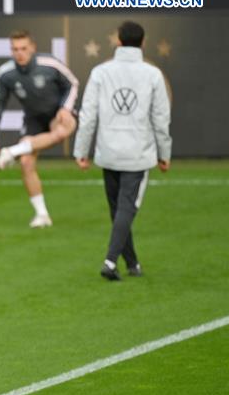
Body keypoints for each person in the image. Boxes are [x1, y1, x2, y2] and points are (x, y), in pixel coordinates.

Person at [73, 21, 172, 281]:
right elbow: (161, 118)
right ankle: (110, 261)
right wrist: (165, 154)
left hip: (108, 151)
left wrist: (81, 150)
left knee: (118, 210)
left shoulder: (100, 72)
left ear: (117, 40)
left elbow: (88, 115)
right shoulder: (152, 75)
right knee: (125, 210)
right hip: (138, 153)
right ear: (143, 42)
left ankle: (132, 263)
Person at [0, 30, 80, 228]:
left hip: (58, 113)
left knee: (63, 129)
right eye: (15, 49)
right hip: (34, 119)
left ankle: (12, 151)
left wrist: (65, 108)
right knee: (26, 163)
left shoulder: (49, 63)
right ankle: (42, 215)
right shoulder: (7, 73)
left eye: (23, 49)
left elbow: (72, 83)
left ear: (33, 48)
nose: (19, 53)